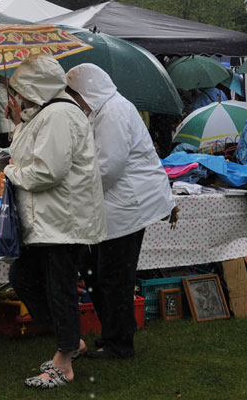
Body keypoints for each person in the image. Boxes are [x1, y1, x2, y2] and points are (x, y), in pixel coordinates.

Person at [4, 54, 106, 389]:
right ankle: (71, 340)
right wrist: (18, 121)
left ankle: (65, 362)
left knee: (59, 288)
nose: (18, 96)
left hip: (64, 220)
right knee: (24, 276)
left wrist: (9, 173)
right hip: (50, 220)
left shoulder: (59, 114)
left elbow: (47, 171)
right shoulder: (46, 114)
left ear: (36, 86)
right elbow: (25, 153)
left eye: (21, 90)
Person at [65, 63, 176, 359]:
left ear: (87, 91)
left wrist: (72, 190)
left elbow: (108, 168)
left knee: (114, 276)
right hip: (116, 203)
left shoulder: (112, 112)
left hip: (127, 204)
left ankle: (120, 343)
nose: (75, 101)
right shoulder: (102, 111)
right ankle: (114, 336)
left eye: (75, 94)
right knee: (98, 273)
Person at [0, 73, 15, 148]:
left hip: (9, 126)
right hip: (7, 126)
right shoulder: (1, 90)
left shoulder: (5, 90)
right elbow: (7, 107)